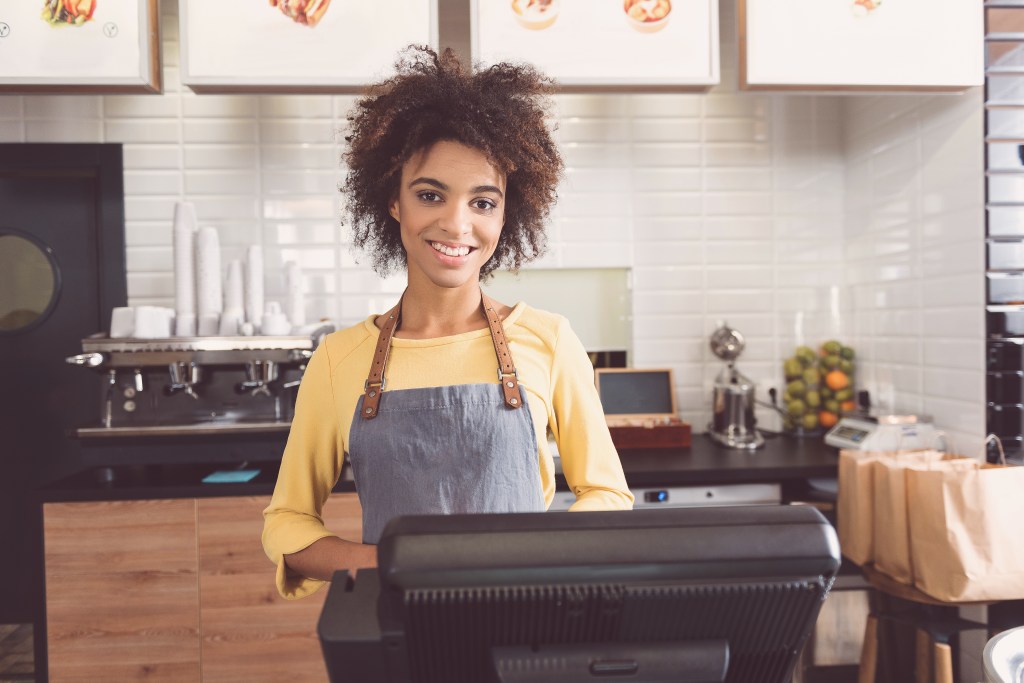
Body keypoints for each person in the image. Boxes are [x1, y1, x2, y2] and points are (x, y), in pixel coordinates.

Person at [262, 46, 634, 599]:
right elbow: (287, 524)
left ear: (507, 213)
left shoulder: (548, 341)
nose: (456, 224)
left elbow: (607, 494)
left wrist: (536, 557)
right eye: (430, 195)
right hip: (399, 629)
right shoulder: (341, 359)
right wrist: (393, 563)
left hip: (527, 621)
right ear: (393, 202)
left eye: (483, 202)